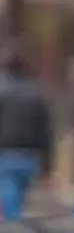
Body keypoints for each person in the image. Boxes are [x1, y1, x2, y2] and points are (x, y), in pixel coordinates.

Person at [0, 37, 53, 220]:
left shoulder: (2, 93)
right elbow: (46, 131)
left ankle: (14, 227)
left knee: (9, 196)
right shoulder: (36, 95)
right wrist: (48, 163)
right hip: (30, 156)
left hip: (6, 153)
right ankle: (16, 221)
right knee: (18, 196)